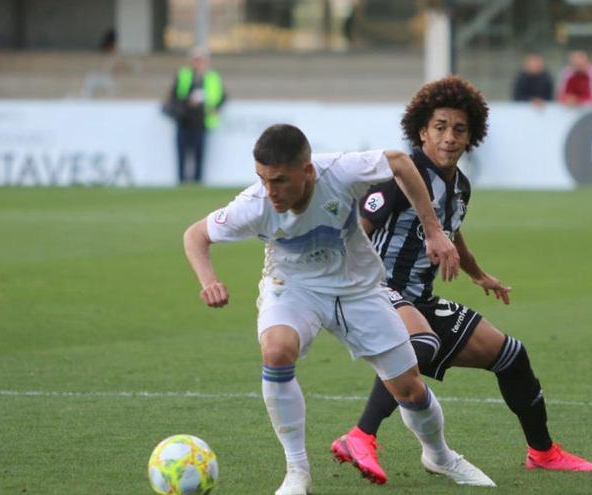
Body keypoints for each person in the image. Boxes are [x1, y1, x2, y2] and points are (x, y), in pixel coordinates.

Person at [183, 124, 496, 495]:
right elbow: (195, 235)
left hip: (357, 289)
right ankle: (297, 472)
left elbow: (399, 162)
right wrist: (208, 281)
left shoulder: (339, 170)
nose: (270, 191)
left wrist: (433, 230)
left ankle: (440, 456)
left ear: (308, 171)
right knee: (277, 351)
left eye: (280, 180)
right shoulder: (253, 205)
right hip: (294, 289)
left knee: (409, 389)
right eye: (262, 179)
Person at [329, 76, 592, 486]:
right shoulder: (402, 176)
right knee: (417, 345)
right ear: (422, 130)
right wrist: (343, 286)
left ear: (471, 136)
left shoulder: (460, 187)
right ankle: (361, 436)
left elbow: (450, 231)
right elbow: (360, 226)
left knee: (512, 355)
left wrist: (478, 273)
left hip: (419, 299)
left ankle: (543, 453)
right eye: (440, 127)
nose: (449, 137)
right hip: (378, 291)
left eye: (459, 129)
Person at [164, 46, 226, 184]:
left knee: (199, 155)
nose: (198, 63)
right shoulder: (183, 75)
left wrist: (214, 108)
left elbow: (222, 97)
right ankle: (181, 181)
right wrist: (187, 102)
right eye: (196, 60)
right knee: (182, 154)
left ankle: (197, 182)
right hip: (184, 121)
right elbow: (174, 96)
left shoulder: (212, 77)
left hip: (201, 121)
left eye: (201, 60)